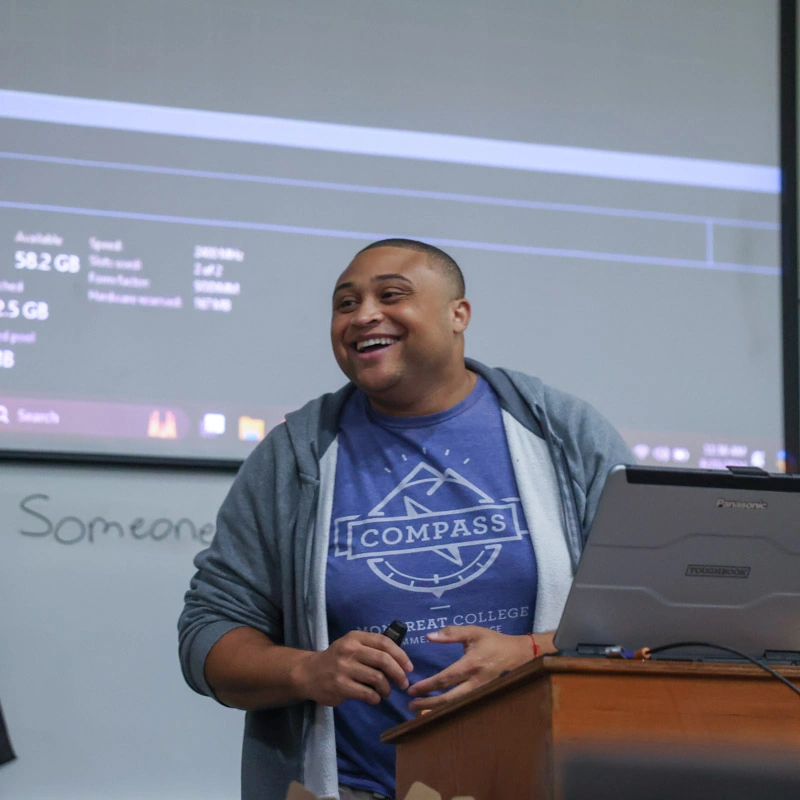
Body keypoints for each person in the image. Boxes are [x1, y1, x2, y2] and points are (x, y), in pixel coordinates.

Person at [178, 239, 631, 800]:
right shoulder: (294, 456)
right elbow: (209, 635)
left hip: (541, 780)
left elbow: (650, 616)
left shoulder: (562, 433)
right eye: (345, 304)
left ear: (458, 314)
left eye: (391, 295)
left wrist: (532, 653)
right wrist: (307, 671)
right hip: (351, 786)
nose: (363, 315)